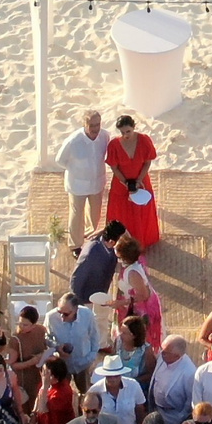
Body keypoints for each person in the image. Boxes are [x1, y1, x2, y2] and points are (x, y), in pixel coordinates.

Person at [56, 108, 110, 250]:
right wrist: (76, 169)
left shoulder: (105, 136)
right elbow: (60, 160)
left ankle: (90, 236)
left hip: (97, 182)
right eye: (92, 125)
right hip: (77, 185)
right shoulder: (73, 141)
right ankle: (75, 244)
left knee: (95, 213)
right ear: (84, 125)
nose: (95, 129)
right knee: (76, 215)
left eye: (97, 124)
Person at [105, 115, 160, 250]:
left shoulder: (144, 140)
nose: (125, 135)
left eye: (128, 131)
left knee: (141, 211)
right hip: (120, 183)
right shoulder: (114, 144)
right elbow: (114, 167)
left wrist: (139, 180)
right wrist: (125, 182)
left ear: (134, 127)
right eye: (122, 132)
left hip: (141, 182)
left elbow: (147, 162)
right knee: (121, 212)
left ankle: (141, 240)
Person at [110, 236, 163, 351]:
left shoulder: (133, 274)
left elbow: (143, 295)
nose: (114, 247)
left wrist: (121, 302)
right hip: (128, 305)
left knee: (137, 337)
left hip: (139, 310)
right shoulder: (135, 261)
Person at [30, 355, 79, 424]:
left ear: (53, 376)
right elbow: (38, 402)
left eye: (45, 372)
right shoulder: (49, 387)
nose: (42, 374)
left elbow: (43, 408)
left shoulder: (61, 392)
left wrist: (45, 384)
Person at [46, 294, 99, 383]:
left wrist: (91, 357)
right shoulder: (51, 317)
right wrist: (57, 347)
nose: (62, 317)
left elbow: (95, 337)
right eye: (59, 312)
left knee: (85, 392)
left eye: (66, 314)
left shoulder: (87, 315)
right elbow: (46, 337)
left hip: (83, 363)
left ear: (76, 309)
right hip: (62, 364)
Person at [148, 334, 198, 424]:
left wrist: (179, 418)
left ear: (177, 356)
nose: (161, 353)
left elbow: (190, 400)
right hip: (156, 410)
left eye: (165, 352)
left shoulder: (189, 372)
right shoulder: (162, 358)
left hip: (173, 417)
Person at [70, 221, 124, 305]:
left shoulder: (111, 247)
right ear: (112, 242)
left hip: (101, 294)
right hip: (87, 299)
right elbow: (77, 279)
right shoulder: (90, 254)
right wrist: (78, 304)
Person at [8, 300, 50, 400]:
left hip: (39, 375)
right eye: (20, 323)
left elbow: (45, 346)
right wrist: (31, 362)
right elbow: (12, 364)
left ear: (34, 324)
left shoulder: (41, 330)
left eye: (25, 325)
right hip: (24, 379)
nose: (21, 326)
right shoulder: (15, 339)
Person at [94, 359, 146, 424]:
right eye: (109, 376)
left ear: (121, 374)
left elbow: (140, 411)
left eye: (116, 376)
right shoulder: (95, 390)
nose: (113, 379)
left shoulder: (134, 385)